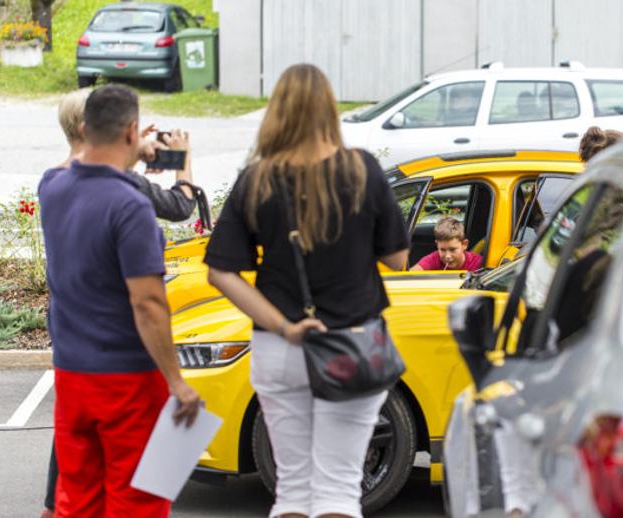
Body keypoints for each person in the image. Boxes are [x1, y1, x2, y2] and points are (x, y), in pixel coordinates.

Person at [204, 64, 409, 518]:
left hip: (280, 348)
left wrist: (284, 326)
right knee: (339, 490)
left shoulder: (257, 179)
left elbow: (220, 272)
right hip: (351, 344)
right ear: (329, 110)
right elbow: (397, 258)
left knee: (293, 490)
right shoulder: (362, 171)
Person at [38, 84, 201, 517]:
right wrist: (177, 382)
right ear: (131, 131)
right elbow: (148, 305)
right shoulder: (131, 206)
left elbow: (79, 166)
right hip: (128, 380)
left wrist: (130, 151)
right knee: (140, 501)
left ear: (84, 130)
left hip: (72, 375)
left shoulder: (52, 187)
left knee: (78, 498)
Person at [55, 88, 197, 221]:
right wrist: (183, 158)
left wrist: (127, 152)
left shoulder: (53, 179)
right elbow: (181, 206)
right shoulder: (117, 180)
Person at [410, 216, 484, 272]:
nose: (447, 256)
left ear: (464, 244)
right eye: (442, 250)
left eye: (452, 249)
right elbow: (410, 276)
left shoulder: (477, 263)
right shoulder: (434, 259)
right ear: (437, 245)